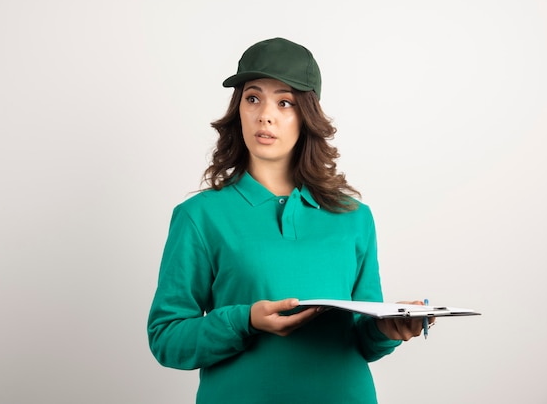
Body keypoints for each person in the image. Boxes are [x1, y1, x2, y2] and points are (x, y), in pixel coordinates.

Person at [147, 37, 431, 404]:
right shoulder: (199, 217)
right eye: (253, 98)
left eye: (284, 102)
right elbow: (167, 339)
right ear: (238, 110)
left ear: (307, 116)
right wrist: (245, 320)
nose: (265, 114)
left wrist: (390, 329)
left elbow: (365, 340)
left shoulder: (355, 218)